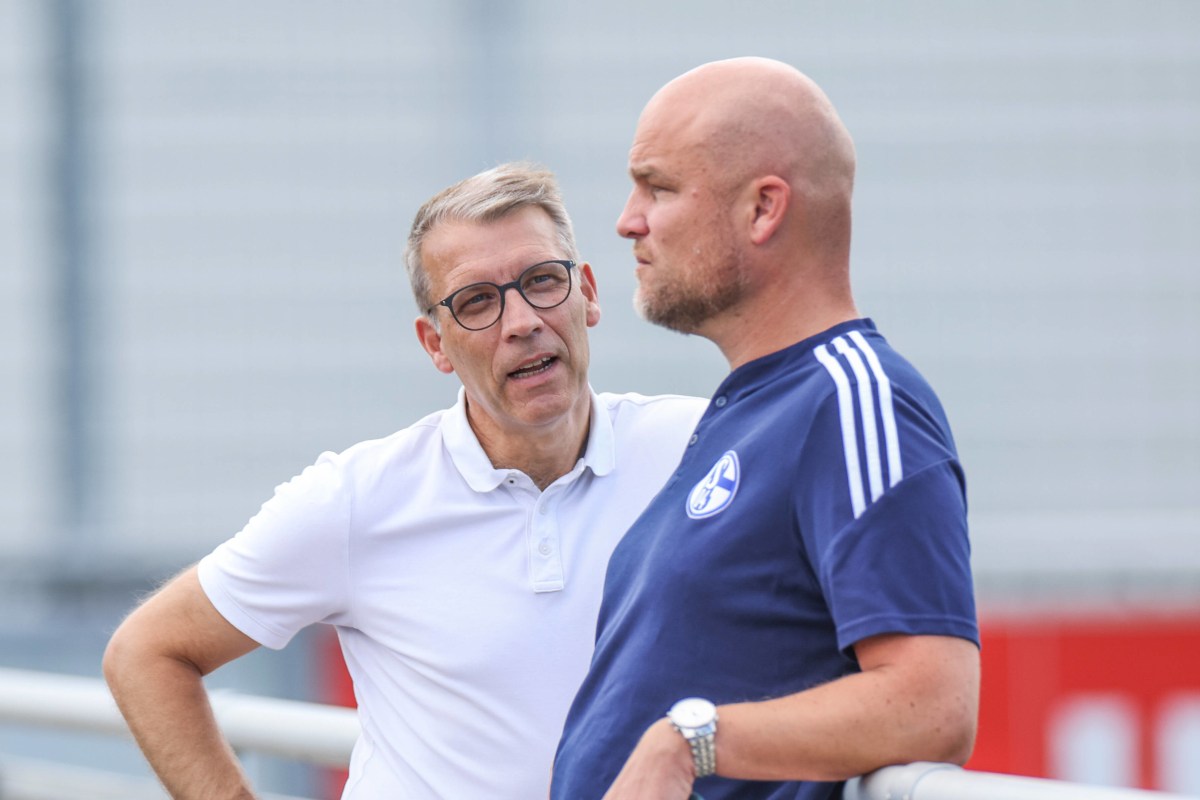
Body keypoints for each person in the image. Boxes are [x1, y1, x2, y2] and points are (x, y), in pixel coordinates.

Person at [103, 162, 707, 799]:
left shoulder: (698, 450)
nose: (522, 320)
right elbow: (146, 653)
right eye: (477, 302)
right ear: (435, 344)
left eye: (541, 281)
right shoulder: (358, 499)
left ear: (586, 293)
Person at [551, 57, 980, 800]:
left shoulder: (855, 398)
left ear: (763, 210)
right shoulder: (752, 406)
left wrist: (689, 741)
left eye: (657, 187)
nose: (628, 220)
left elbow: (931, 704)